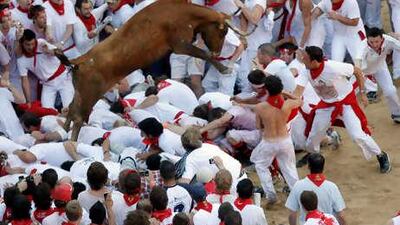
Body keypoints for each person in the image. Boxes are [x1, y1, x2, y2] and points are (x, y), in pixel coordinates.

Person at [294, 46, 391, 173]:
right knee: (314, 135)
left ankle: (381, 155)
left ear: (314, 61)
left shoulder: (333, 67)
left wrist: (362, 92)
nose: (302, 59)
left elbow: (357, 71)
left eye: (305, 58)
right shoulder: (306, 70)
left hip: (345, 103)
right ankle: (314, 157)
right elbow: (297, 92)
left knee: (357, 135)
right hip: (327, 105)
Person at [251, 75, 301, 203]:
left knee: (261, 165)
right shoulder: (288, 104)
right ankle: (298, 194)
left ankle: (271, 195)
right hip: (285, 140)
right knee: (289, 168)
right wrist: (284, 92)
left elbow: (258, 126)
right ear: (280, 89)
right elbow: (300, 100)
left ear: (266, 90)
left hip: (269, 141)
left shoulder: (260, 107)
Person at [18, 29, 74, 109]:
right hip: (48, 84)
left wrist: (51, 51)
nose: (31, 47)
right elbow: (24, 80)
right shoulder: (21, 59)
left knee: (69, 107)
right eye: (27, 44)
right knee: (47, 111)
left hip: (63, 77)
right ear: (22, 43)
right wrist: (28, 101)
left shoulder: (41, 43)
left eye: (33, 44)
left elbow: (60, 53)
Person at [285, 153, 346, 225]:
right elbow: (341, 215)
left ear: (308, 166)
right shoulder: (332, 187)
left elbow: (292, 213)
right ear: (323, 167)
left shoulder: (298, 185)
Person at [359, 28, 400, 123]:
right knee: (349, 95)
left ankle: (397, 114)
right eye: (371, 42)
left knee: (391, 91)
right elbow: (357, 68)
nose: (374, 45)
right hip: (363, 71)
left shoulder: (389, 40)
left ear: (382, 38)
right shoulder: (362, 47)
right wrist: (362, 91)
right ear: (367, 39)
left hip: (380, 67)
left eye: (377, 41)